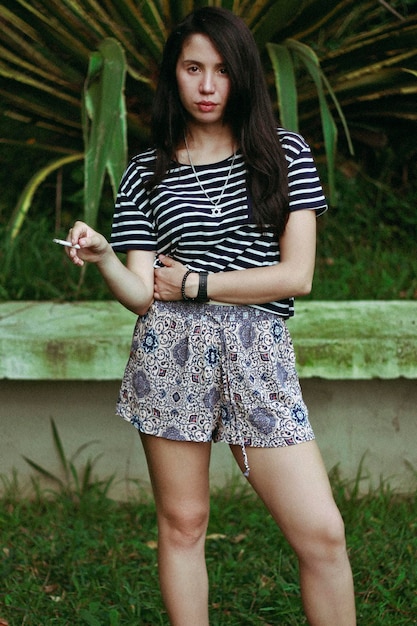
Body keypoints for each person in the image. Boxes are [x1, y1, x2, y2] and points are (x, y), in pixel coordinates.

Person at [66, 7, 356, 625]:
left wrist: (198, 283)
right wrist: (105, 256)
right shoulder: (147, 170)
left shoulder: (286, 154)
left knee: (322, 533)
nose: (206, 85)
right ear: (173, 75)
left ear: (242, 76)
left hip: (259, 354)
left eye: (221, 70)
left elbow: (295, 276)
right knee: (183, 523)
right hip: (169, 354)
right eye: (193, 68)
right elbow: (143, 292)